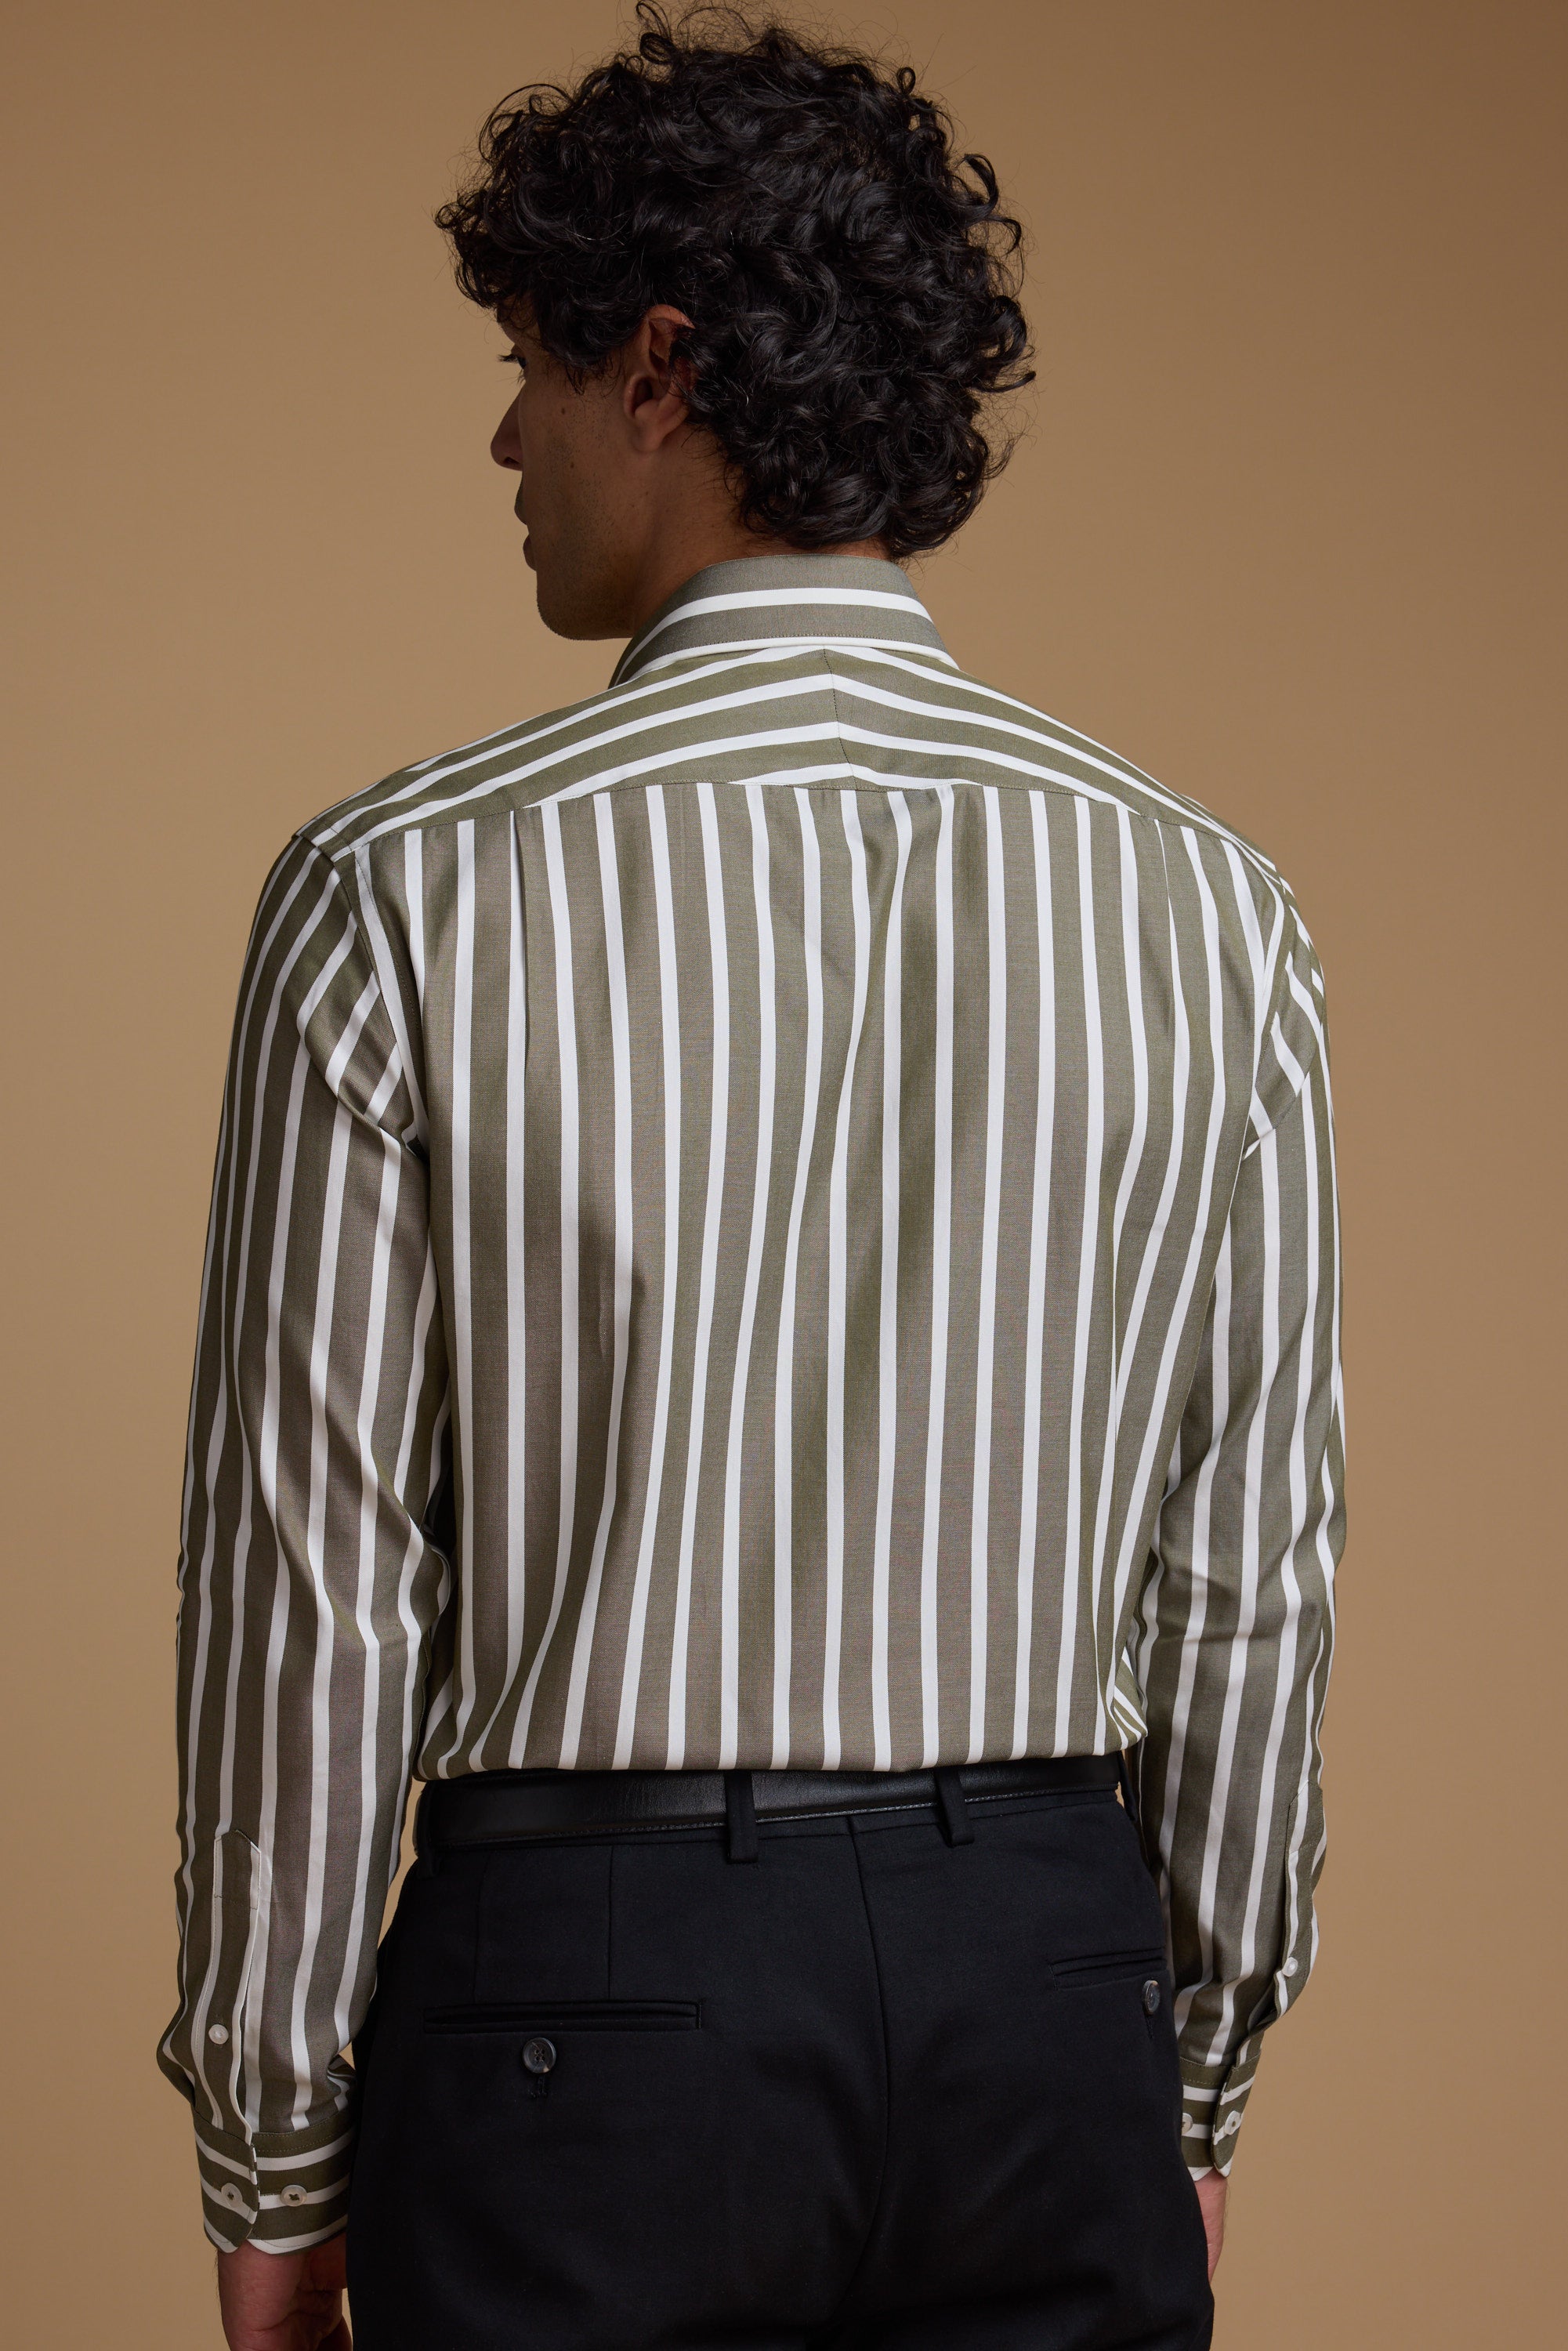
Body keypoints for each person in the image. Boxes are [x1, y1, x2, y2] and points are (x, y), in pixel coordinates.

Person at [160, 8, 1343, 2347]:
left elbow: (308, 1586)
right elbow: (1251, 1574)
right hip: (1045, 1982)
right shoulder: (1209, 904)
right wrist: (1184, 2079)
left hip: (584, 1997)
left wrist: (273, 2150)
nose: (503, 434)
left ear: (663, 368)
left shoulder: (403, 890)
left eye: (528, 362)